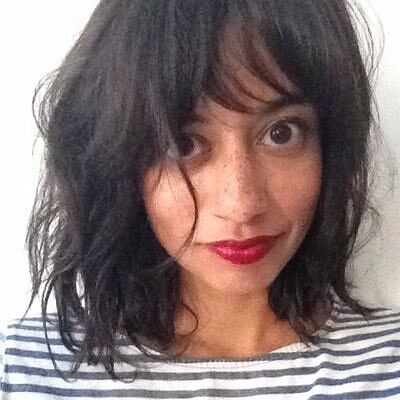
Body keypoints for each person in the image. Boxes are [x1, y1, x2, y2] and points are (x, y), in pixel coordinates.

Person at [1, 0, 400, 398]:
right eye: (183, 143)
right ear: (119, 160)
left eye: (281, 133)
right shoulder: (24, 371)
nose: (241, 204)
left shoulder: (388, 366)